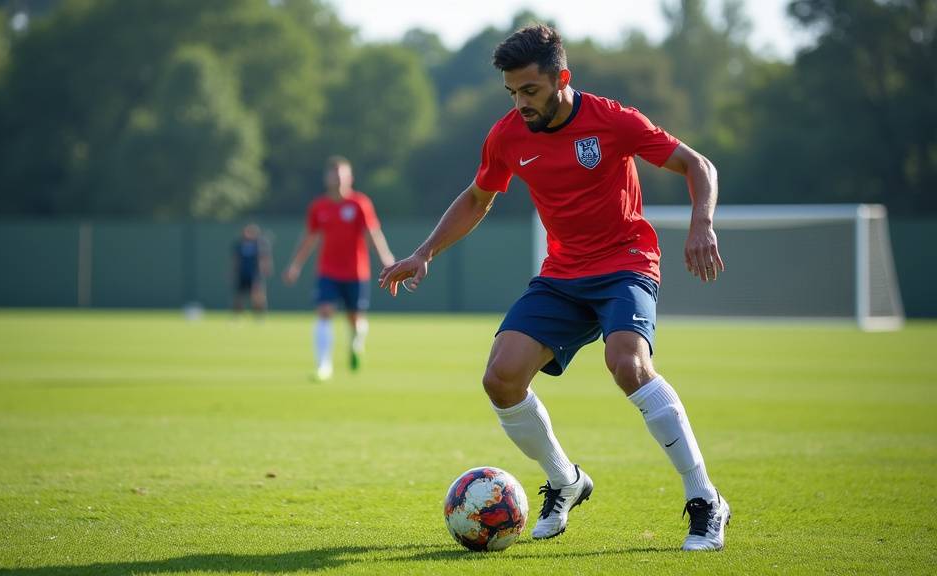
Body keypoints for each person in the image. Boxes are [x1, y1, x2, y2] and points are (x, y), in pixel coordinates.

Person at [379, 25, 729, 551]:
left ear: (561, 78)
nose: (520, 103)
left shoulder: (613, 120)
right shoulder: (507, 136)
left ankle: (705, 500)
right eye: (513, 93)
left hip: (625, 264)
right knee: (500, 378)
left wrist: (702, 222)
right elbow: (478, 198)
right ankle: (566, 480)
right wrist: (424, 252)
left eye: (531, 91)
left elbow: (697, 165)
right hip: (563, 275)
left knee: (628, 365)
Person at [284, 156, 395, 381]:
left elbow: (372, 233)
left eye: (342, 173)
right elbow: (310, 237)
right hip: (328, 271)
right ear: (326, 178)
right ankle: (324, 365)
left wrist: (386, 258)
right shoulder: (319, 207)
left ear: (350, 177)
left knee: (354, 319)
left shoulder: (359, 203)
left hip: (356, 272)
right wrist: (295, 265)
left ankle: (356, 343)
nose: (337, 178)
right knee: (324, 311)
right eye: (333, 173)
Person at [232, 223, 273, 320]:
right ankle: (237, 316)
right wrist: (233, 271)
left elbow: (265, 258)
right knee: (239, 296)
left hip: (255, 274)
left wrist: (266, 268)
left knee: (258, 296)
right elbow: (235, 259)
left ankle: (259, 316)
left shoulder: (260, 245)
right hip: (243, 274)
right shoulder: (239, 245)